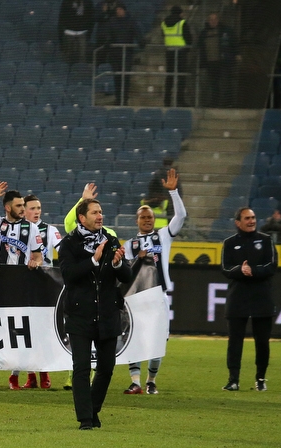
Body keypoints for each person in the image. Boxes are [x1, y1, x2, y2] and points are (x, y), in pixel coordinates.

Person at [58, 198, 131, 430]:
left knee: (107, 368)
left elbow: (127, 276)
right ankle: (86, 419)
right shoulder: (69, 244)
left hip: (108, 314)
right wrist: (93, 260)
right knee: (81, 368)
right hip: (80, 315)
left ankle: (93, 408)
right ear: (82, 218)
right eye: (95, 213)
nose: (100, 216)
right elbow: (68, 275)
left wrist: (119, 264)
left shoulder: (110, 241)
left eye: (101, 212)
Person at [0, 183, 45, 390]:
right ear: (7, 207)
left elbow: (38, 257)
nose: (23, 209)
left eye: (24, 205)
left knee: (16, 331)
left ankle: (14, 376)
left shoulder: (30, 228)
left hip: (20, 285)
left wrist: (35, 263)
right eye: (19, 206)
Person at [122, 168, 185, 395]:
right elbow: (124, 273)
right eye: (143, 217)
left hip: (159, 295)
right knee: (135, 338)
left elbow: (181, 217)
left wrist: (174, 193)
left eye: (150, 217)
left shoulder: (164, 235)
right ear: (137, 220)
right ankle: (135, 381)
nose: (147, 220)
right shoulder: (129, 245)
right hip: (137, 297)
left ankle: (151, 381)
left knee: (158, 338)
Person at [11, 194, 65, 390]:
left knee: (42, 333)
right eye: (32, 208)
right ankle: (27, 375)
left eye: (39, 208)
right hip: (22, 286)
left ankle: (44, 374)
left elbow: (63, 249)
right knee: (22, 331)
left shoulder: (50, 231)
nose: (36, 212)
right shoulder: (16, 230)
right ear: (23, 210)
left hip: (44, 288)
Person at [221, 208, 277, 392]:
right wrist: (240, 270)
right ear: (238, 222)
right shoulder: (229, 243)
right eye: (247, 218)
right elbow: (225, 269)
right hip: (238, 299)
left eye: (253, 217)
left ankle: (260, 379)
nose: (252, 221)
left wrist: (253, 270)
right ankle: (233, 380)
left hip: (262, 298)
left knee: (262, 341)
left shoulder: (266, 240)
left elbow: (272, 266)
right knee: (235, 341)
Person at [98, 3, 141, 106]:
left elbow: (137, 33)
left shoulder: (131, 21)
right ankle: (118, 98)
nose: (118, 11)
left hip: (127, 53)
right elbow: (108, 34)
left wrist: (141, 41)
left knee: (125, 77)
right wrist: (108, 41)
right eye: (117, 10)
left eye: (120, 9)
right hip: (115, 54)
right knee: (117, 77)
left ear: (124, 10)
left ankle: (124, 99)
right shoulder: (112, 21)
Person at [198, 13, 240, 108]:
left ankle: (228, 103)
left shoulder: (226, 30)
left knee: (226, 82)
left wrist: (237, 54)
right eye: (211, 19)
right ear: (208, 21)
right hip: (210, 63)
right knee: (214, 83)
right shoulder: (204, 32)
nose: (213, 22)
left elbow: (234, 42)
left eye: (215, 19)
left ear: (218, 20)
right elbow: (200, 46)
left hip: (223, 62)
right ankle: (214, 102)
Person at [161, 5, 193, 107]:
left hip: (169, 52)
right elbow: (189, 38)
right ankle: (180, 100)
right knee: (181, 77)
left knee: (169, 77)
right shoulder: (182, 23)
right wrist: (187, 48)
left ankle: (167, 100)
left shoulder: (164, 23)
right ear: (180, 13)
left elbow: (163, 35)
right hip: (181, 52)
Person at [143, 158, 182, 228]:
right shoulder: (174, 174)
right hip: (171, 201)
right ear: (172, 163)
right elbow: (179, 189)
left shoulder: (157, 173)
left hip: (160, 201)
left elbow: (151, 186)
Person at [59, 0, 95, 64]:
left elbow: (91, 18)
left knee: (82, 58)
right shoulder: (66, 2)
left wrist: (88, 33)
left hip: (83, 33)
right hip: (69, 33)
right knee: (67, 58)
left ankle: (80, 73)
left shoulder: (88, 2)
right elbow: (61, 18)